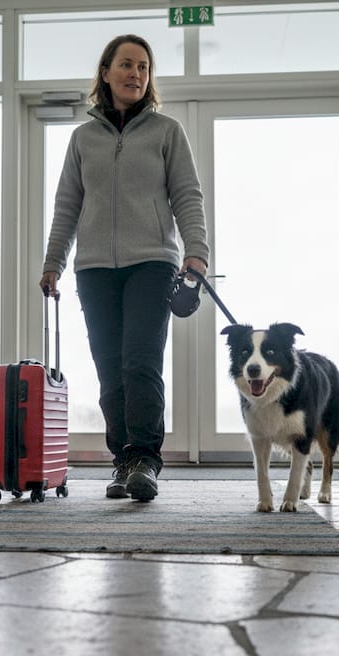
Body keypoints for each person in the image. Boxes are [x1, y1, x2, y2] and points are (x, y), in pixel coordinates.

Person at [40, 34, 209, 502]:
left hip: (153, 263)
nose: (136, 74)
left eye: (143, 67)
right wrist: (53, 262)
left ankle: (146, 460)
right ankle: (124, 459)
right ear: (106, 72)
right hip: (94, 268)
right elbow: (67, 205)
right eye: (127, 65)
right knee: (110, 370)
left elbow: (187, 194)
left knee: (140, 362)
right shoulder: (82, 139)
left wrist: (196, 250)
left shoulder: (167, 132)